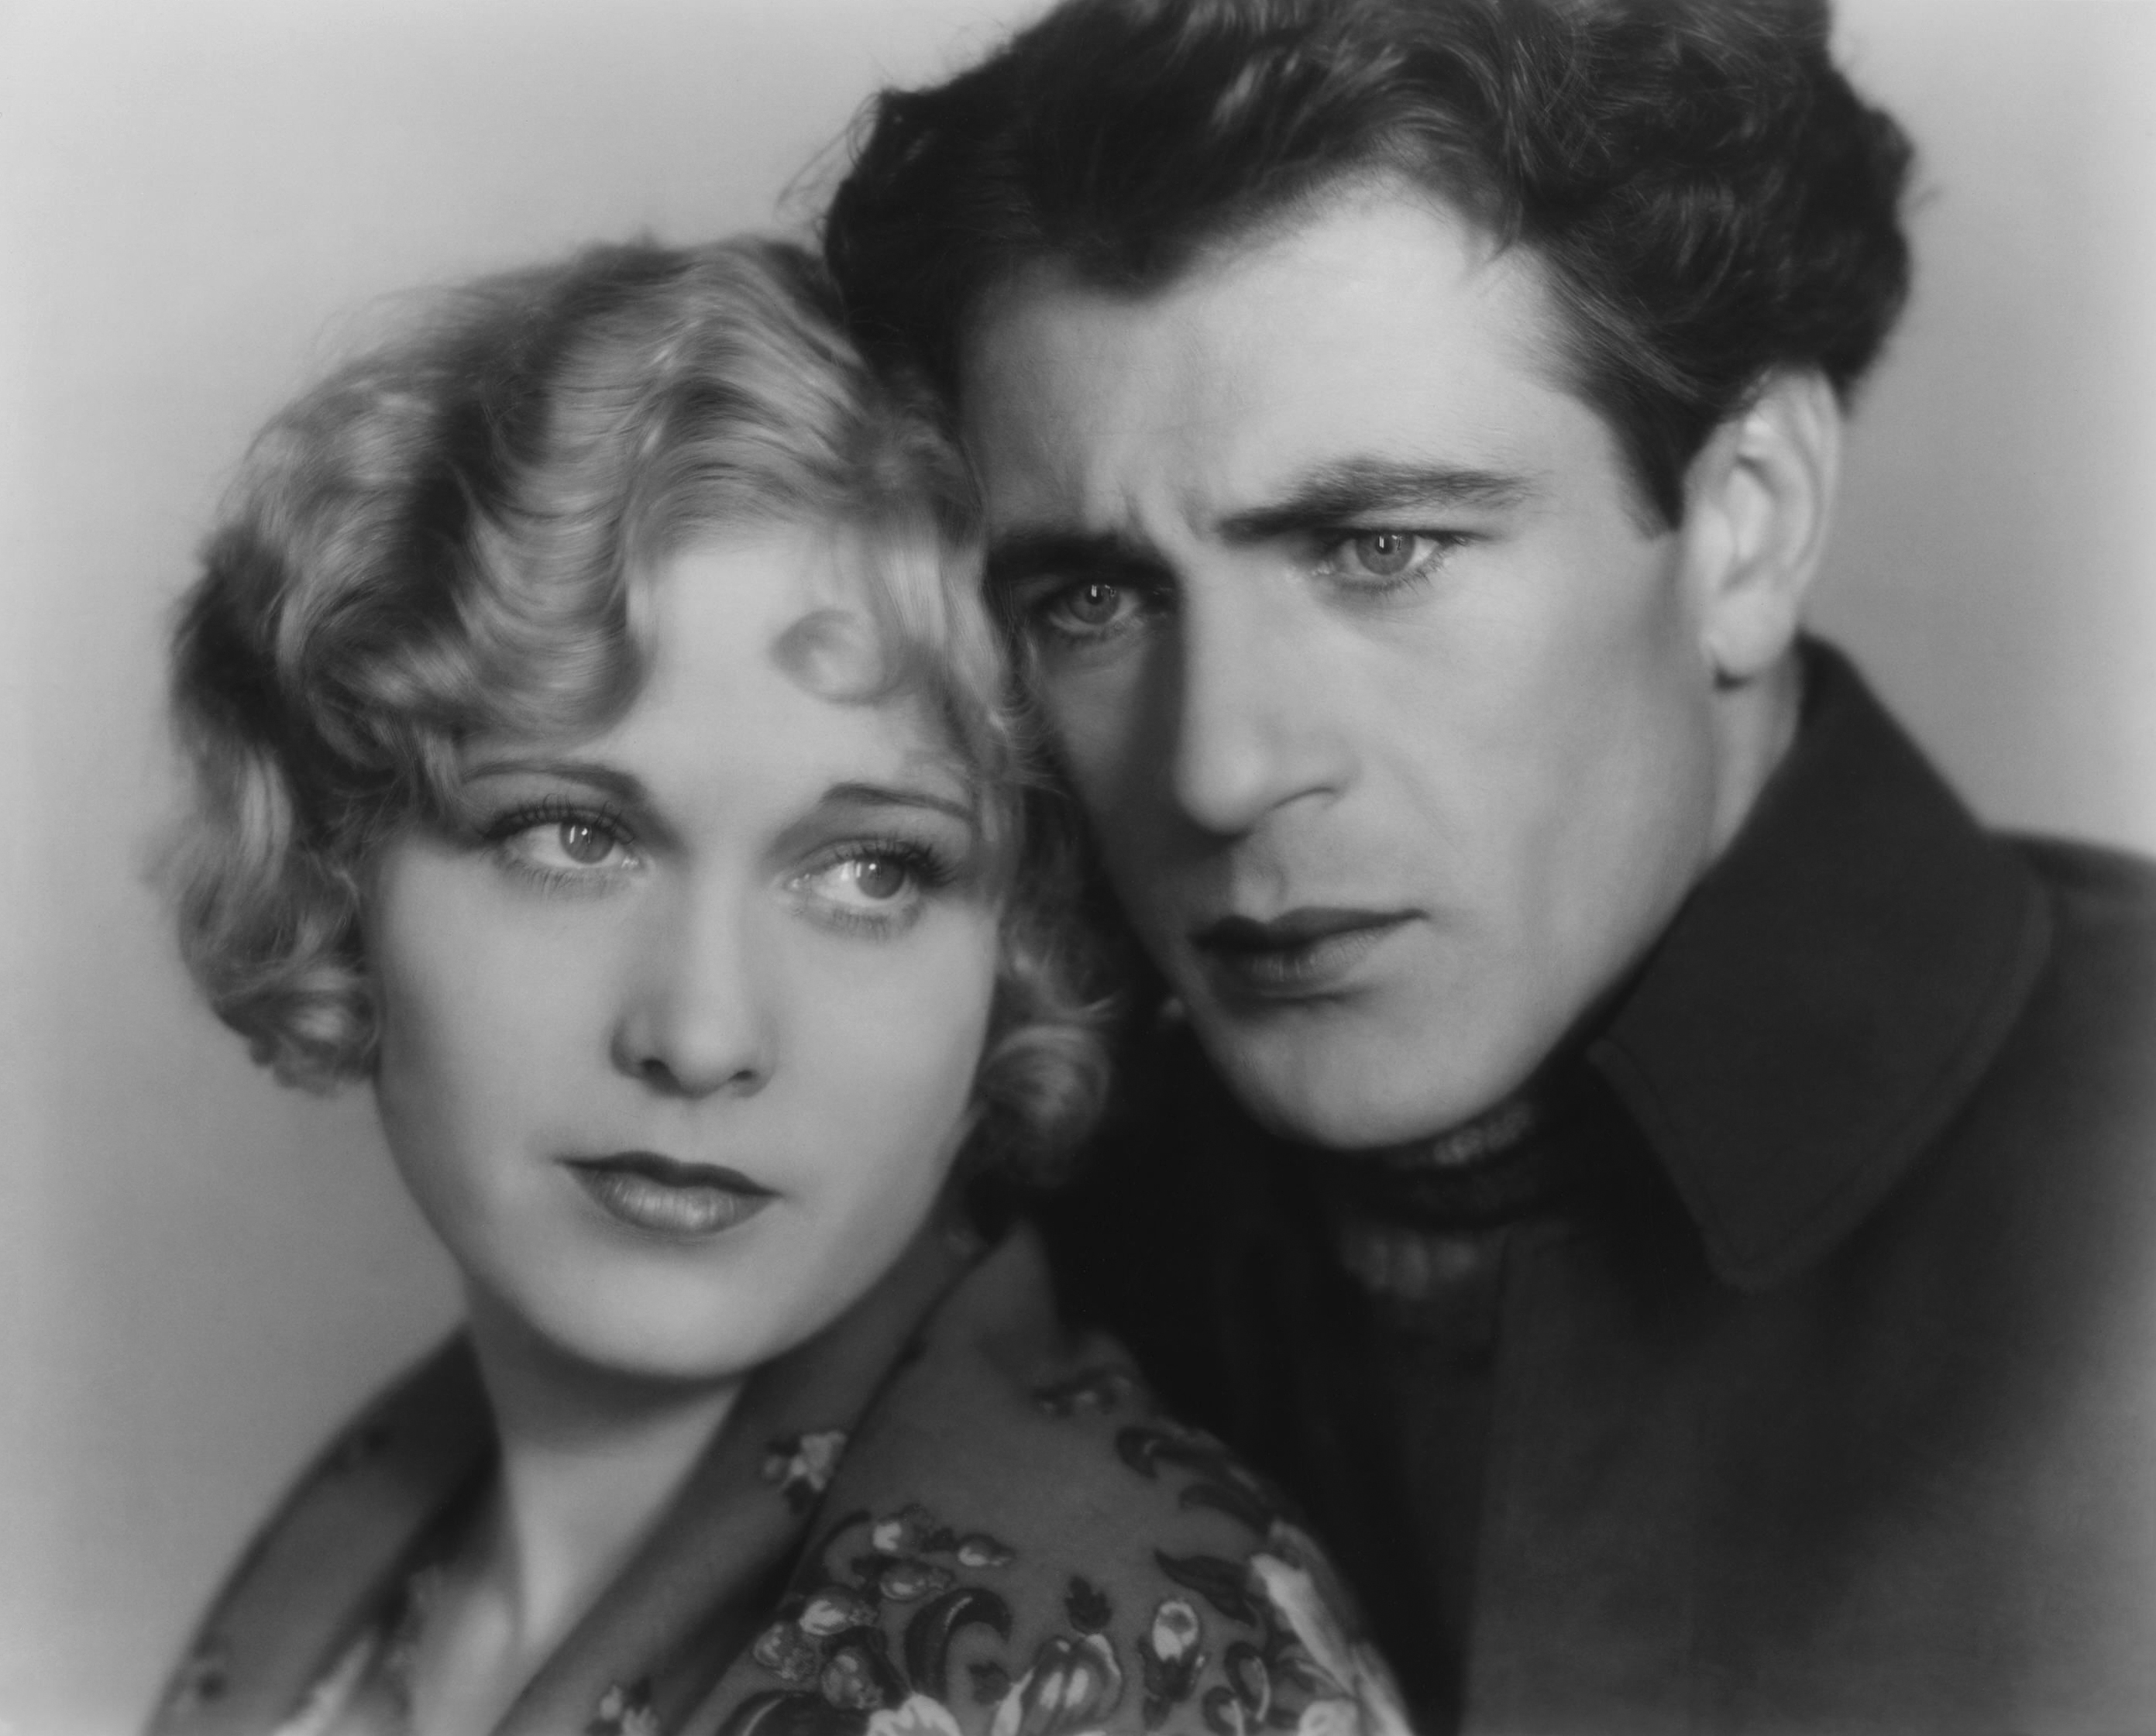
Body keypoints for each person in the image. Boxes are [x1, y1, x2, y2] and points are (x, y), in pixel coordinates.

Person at [818, 1, 2156, 1730]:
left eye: (1379, 547)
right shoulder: (980, 1225)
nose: (1222, 767)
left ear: (1747, 519)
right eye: (1093, 598)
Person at [150, 237, 1408, 1736]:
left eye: (871, 870)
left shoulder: (1141, 1658)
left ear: (1021, 955)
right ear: (340, 870)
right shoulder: (369, 1553)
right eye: (573, 836)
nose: (701, 1034)